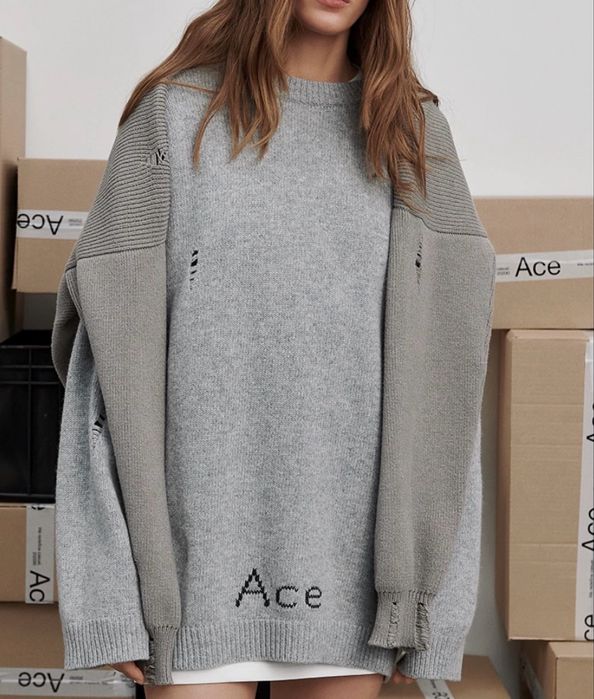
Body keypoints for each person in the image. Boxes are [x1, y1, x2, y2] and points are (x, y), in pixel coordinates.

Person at [50, 1, 496, 698]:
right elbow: (102, 374)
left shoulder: (411, 133)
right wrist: (106, 597)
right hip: (189, 575)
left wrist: (426, 607)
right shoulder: (172, 116)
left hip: (356, 582)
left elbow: (447, 395)